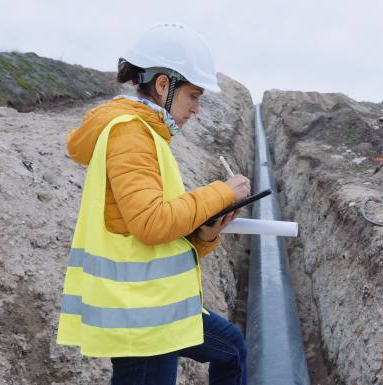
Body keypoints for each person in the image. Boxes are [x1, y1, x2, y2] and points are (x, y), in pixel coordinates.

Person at [56, 23, 249, 385]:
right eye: (193, 96)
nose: (197, 108)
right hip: (140, 321)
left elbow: (154, 232)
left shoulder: (148, 133)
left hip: (157, 307)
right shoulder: (131, 133)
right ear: (164, 85)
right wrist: (223, 193)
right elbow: (150, 223)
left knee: (232, 348)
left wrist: (205, 234)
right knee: (231, 349)